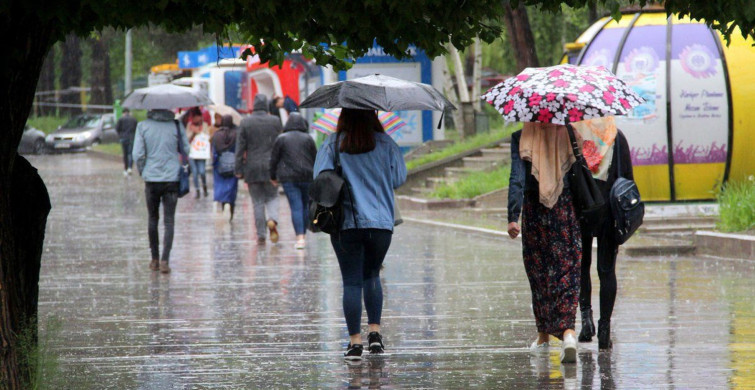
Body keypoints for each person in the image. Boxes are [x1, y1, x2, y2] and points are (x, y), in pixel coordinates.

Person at [313, 108, 407, 361]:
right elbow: (398, 178)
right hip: (380, 223)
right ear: (372, 115)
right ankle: (375, 335)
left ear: (343, 116)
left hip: (346, 223)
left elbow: (319, 179)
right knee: (372, 274)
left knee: (352, 281)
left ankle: (354, 343)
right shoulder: (386, 142)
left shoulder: (332, 144)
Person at [507, 122, 582, 364]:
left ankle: (543, 337)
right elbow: (584, 169)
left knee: (539, 273)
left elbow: (517, 178)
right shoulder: (570, 133)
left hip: (534, 212)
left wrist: (512, 216)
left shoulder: (521, 137)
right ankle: (569, 333)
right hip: (565, 210)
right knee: (567, 271)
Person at [571, 117, 634, 350]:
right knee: (606, 270)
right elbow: (627, 179)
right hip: (609, 210)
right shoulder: (617, 137)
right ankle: (604, 329)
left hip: (581, 208)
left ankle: (586, 322)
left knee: (581, 266)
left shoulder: (574, 135)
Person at [132, 109, 190, 274]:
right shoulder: (176, 125)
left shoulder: (143, 126)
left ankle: (154, 259)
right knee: (169, 221)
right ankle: (165, 260)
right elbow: (186, 149)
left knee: (152, 219)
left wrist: (144, 171)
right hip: (172, 179)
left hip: (152, 179)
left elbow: (137, 154)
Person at [235, 94, 283, 244]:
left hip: (252, 167)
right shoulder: (275, 121)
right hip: (271, 167)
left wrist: (238, 169)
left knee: (257, 202)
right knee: (273, 196)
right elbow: (280, 144)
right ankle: (273, 219)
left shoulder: (245, 122)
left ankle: (261, 235)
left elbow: (240, 148)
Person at [269, 112, 317, 249]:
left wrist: (273, 176)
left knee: (296, 207)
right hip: (307, 176)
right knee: (306, 206)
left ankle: (300, 238)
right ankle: (304, 235)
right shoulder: (308, 138)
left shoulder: (281, 138)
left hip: (288, 178)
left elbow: (274, 159)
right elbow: (315, 158)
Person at [212, 114, 240, 221]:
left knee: (221, 187)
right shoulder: (236, 134)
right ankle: (231, 207)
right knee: (231, 188)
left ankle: (223, 205)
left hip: (220, 166)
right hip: (233, 166)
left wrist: (215, 163)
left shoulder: (216, 135)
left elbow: (214, 152)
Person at [186, 107, 210, 199]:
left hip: (201, 153)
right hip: (192, 153)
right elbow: (186, 138)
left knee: (202, 171)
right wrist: (193, 132)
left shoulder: (204, 125)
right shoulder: (189, 125)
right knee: (195, 173)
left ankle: (204, 186)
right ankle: (197, 190)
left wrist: (200, 132)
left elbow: (207, 137)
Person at [115, 108, 138, 176]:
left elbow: (117, 129)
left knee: (125, 154)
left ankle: (125, 168)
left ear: (123, 113)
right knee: (130, 153)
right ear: (129, 112)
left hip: (123, 138)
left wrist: (120, 135)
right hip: (131, 138)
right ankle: (130, 168)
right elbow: (137, 129)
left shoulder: (121, 119)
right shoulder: (134, 119)